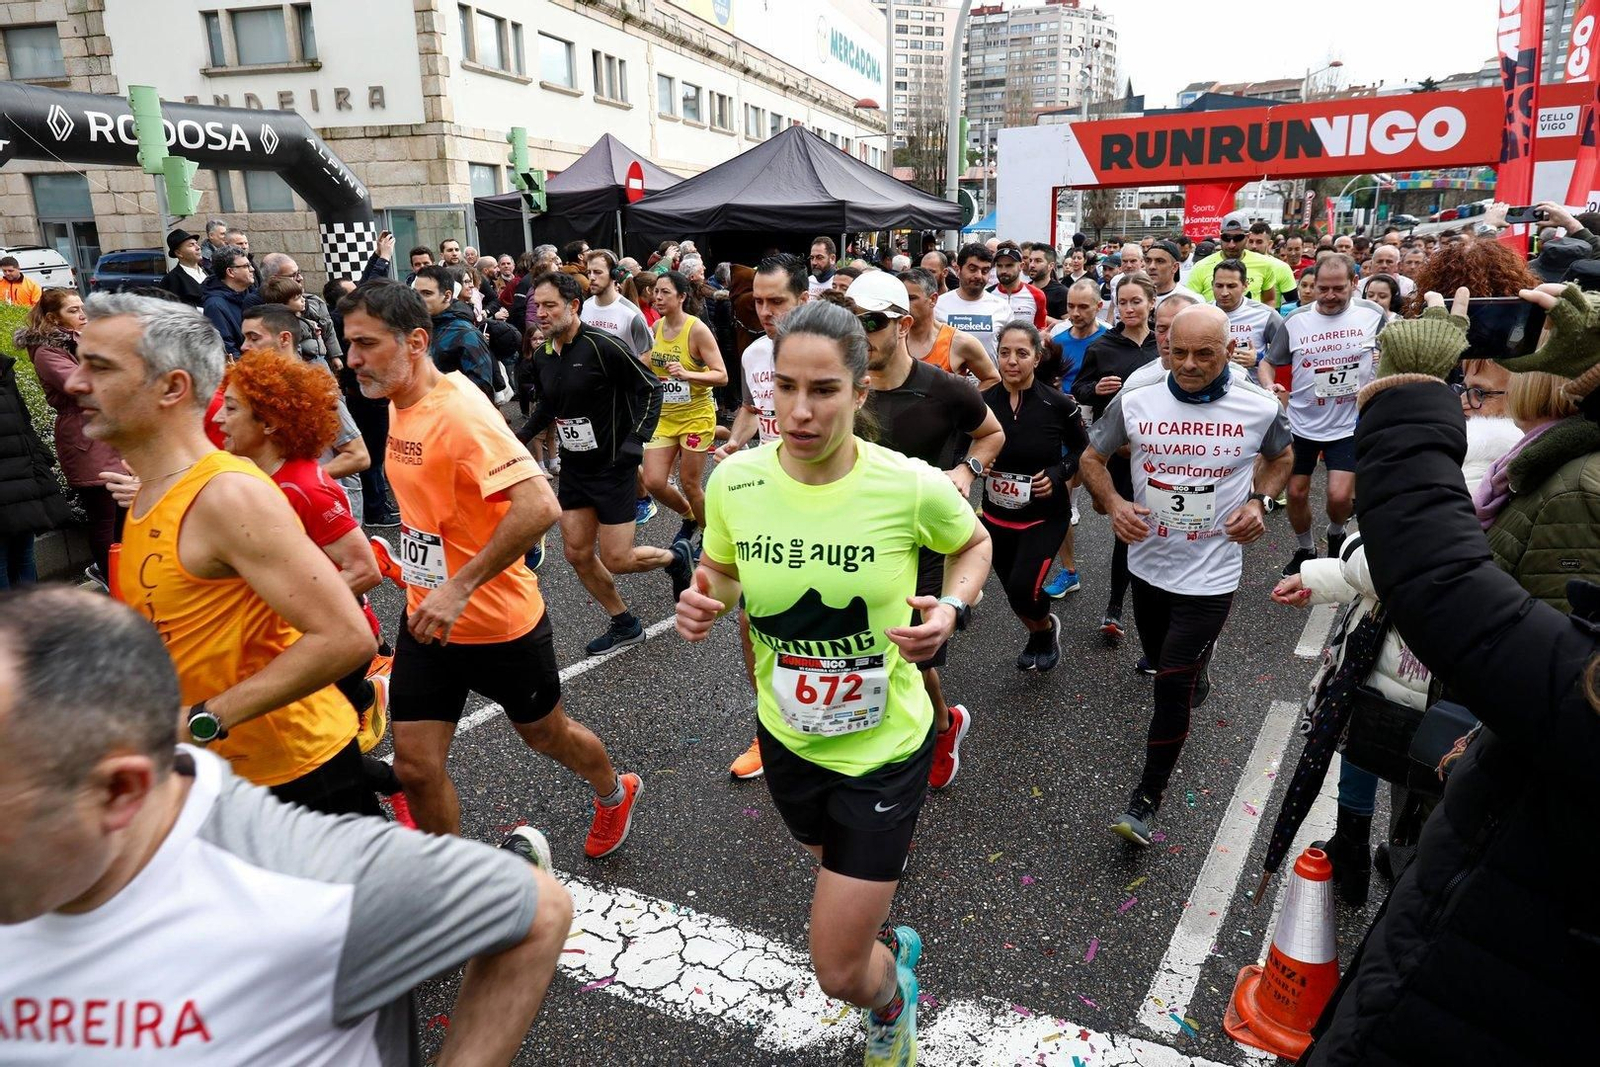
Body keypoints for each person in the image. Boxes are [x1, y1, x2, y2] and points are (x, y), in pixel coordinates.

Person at [0, 584, 574, 1063]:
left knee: (488, 752)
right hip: (239, 764)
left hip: (310, 749)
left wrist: (208, 719)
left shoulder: (301, 884)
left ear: (119, 790)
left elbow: (535, 910)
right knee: (413, 771)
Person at [676, 299, 992, 1067]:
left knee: (838, 969)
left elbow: (973, 542)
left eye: (822, 390)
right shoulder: (737, 482)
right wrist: (702, 597)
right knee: (822, 854)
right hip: (786, 733)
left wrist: (950, 607)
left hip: (883, 747)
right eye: (784, 388)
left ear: (860, 392)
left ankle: (890, 996)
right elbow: (721, 567)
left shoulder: (907, 485)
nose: (800, 409)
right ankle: (871, 932)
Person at [1294, 286, 1600, 1067]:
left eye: (1485, 388)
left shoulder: (1576, 481)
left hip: (1484, 985)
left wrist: (1410, 387)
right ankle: (1367, 839)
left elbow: (1441, 578)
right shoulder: (1551, 459)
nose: (1483, 396)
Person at [341, 280, 647, 856]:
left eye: (365, 343)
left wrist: (458, 586)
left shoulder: (456, 412)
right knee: (415, 765)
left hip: (498, 624)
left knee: (546, 736)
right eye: (348, 343)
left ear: (414, 342)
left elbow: (539, 505)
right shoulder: (400, 401)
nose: (352, 358)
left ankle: (613, 791)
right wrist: (407, 563)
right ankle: (455, 887)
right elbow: (437, 513)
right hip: (427, 622)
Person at [69, 293, 379, 814]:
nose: (76, 382)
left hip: (293, 772)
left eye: (98, 367)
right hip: (217, 773)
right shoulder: (150, 488)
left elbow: (346, 636)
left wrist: (202, 719)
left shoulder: (228, 495)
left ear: (172, 387)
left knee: (371, 899)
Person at [1080, 304, 1292, 844]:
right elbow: (1090, 460)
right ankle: (1195, 669)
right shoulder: (1136, 398)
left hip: (1212, 573)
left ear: (1228, 349)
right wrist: (1115, 506)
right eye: (1179, 353)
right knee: (1158, 660)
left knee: (1169, 687)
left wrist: (1261, 503)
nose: (1190, 365)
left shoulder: (1258, 406)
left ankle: (1145, 802)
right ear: (1165, 347)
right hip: (1149, 564)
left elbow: (1284, 457)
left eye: (1205, 353)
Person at [843, 272, 1005, 791]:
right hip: (858, 535)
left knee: (912, 653)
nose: (859, 331)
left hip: (926, 539)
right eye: (851, 319)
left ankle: (937, 725)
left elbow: (992, 434)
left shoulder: (947, 389)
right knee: (862, 643)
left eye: (871, 321)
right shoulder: (846, 388)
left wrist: (967, 471)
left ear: (903, 324)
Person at [521, 271, 692, 655]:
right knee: (577, 553)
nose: (542, 314)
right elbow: (549, 405)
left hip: (613, 466)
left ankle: (674, 557)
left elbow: (650, 388)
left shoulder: (603, 346)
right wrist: (517, 440)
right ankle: (624, 623)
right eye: (537, 306)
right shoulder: (545, 354)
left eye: (550, 306)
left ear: (573, 306)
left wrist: (635, 443)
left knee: (618, 558)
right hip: (576, 467)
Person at [1262, 254, 1387, 574]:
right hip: (1302, 423)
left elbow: (1394, 351)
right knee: (1297, 492)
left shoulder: (1373, 314)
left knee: (1339, 495)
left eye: (1338, 289)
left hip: (1348, 423)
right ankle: (1305, 549)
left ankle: (1336, 533)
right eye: (1323, 289)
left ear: (1354, 285)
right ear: (1313, 285)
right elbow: (1267, 363)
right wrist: (1269, 385)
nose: (1330, 296)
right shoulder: (1296, 320)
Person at [979, 321, 1088, 670]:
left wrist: (1058, 474)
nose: (1012, 361)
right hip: (996, 517)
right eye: (1005, 353)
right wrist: (975, 463)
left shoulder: (1058, 404)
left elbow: (1082, 451)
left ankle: (1042, 630)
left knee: (1025, 589)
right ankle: (1041, 632)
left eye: (1022, 353)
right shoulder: (981, 404)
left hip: (1043, 515)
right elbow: (961, 449)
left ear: (1037, 358)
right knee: (1015, 592)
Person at [1071, 272, 1160, 645]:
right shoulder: (1103, 346)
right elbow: (1078, 389)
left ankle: (1159, 604)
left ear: (1151, 303)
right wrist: (1095, 388)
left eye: (1136, 301)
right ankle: (1115, 607)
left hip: (1163, 451)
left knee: (1160, 528)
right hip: (1121, 452)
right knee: (1128, 529)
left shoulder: (1164, 344)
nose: (1128, 308)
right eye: (1122, 302)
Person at [14, 289, 122, 579]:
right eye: (73, 310)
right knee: (105, 518)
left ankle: (128, 577)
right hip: (85, 435)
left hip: (111, 431)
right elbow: (81, 386)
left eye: (82, 308)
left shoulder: (86, 340)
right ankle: (110, 578)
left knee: (125, 515)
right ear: (53, 317)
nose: (83, 314)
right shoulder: (47, 349)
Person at [646, 270, 728, 547]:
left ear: (681, 297)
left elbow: (721, 375)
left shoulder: (697, 330)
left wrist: (689, 374)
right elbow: (648, 365)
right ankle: (690, 516)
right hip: (665, 417)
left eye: (664, 292)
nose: (657, 297)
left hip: (695, 416)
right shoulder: (656, 328)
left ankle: (709, 537)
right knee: (654, 481)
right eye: (656, 291)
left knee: (690, 483)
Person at [410, 263, 497, 400]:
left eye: (427, 293)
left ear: (447, 296)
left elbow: (481, 389)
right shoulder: (418, 329)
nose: (418, 300)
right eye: (416, 293)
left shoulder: (466, 334)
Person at [901, 268, 1000, 388]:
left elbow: (993, 379)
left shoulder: (958, 342)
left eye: (911, 298)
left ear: (933, 300)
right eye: (900, 298)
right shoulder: (891, 338)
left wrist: (965, 402)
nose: (904, 304)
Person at [935, 243, 1013, 361]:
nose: (978, 276)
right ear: (958, 269)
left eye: (985, 271)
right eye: (972, 269)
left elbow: (1010, 349)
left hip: (991, 379)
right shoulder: (938, 306)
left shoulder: (1002, 307)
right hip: (948, 378)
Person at [1187, 215, 1280, 306]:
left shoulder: (1263, 264)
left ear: (1248, 237)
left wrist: (1261, 319)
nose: (1231, 245)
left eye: (1237, 238)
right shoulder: (1201, 266)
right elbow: (1189, 303)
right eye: (1226, 238)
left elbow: (1270, 300)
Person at [1211, 258, 1282, 371]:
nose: (1224, 293)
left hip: (1252, 386)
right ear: (1212, 285)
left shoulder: (1266, 315)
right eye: (1219, 286)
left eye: (1231, 286)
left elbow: (1287, 354)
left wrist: (1259, 359)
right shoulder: (1201, 314)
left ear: (1245, 285)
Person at [582, 248, 653, 358]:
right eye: (589, 272)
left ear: (613, 274)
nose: (591, 277)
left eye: (597, 272)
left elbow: (647, 355)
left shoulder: (631, 314)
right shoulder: (584, 307)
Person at [201, 248, 260, 359]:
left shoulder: (252, 293)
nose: (252, 269)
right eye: (246, 266)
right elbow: (227, 349)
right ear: (230, 272)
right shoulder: (215, 306)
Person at [989, 240, 1048, 328]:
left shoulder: (1037, 295)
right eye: (999, 266)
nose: (1003, 271)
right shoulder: (988, 294)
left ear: (1021, 266)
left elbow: (1040, 330)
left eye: (1009, 265)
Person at [159, 228, 207, 306]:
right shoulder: (172, 280)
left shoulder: (210, 272)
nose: (198, 247)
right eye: (191, 245)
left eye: (196, 243)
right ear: (179, 253)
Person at [1028, 245, 1070, 319]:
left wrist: (1041, 316)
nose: (1032, 265)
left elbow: (1069, 325)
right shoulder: (1025, 290)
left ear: (1051, 266)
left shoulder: (1062, 293)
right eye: (1030, 260)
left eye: (1038, 261)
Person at [1144, 240, 1185, 308]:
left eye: (1160, 261)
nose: (1151, 266)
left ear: (1174, 267)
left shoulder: (1189, 300)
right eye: (1148, 261)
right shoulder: (1136, 297)